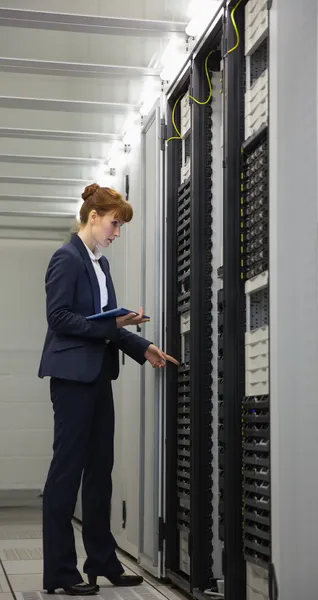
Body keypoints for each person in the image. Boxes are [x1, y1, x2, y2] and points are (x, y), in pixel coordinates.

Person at [38, 183, 178, 596]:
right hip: (71, 378)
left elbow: (105, 325)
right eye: (115, 224)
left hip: (99, 374)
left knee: (100, 471)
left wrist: (142, 345)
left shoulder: (101, 265)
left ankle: (102, 561)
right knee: (66, 474)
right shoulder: (66, 259)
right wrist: (113, 324)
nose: (117, 233)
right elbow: (60, 317)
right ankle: (60, 573)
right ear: (94, 217)